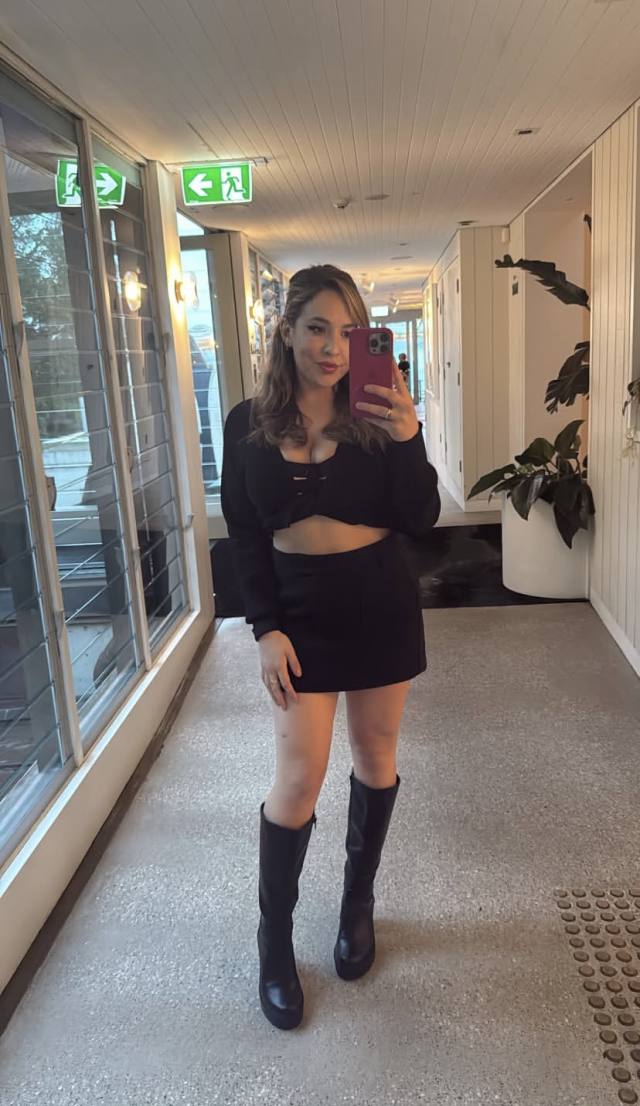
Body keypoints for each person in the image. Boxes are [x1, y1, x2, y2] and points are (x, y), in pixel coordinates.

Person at [221, 264, 440, 1031]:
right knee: (297, 780)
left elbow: (420, 517)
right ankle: (274, 941)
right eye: (317, 328)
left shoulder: (379, 414)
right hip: (299, 616)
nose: (333, 348)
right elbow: (244, 533)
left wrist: (409, 438)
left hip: (380, 605)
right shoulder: (248, 422)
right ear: (287, 331)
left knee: (376, 758)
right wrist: (264, 628)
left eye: (349, 332)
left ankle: (357, 904)